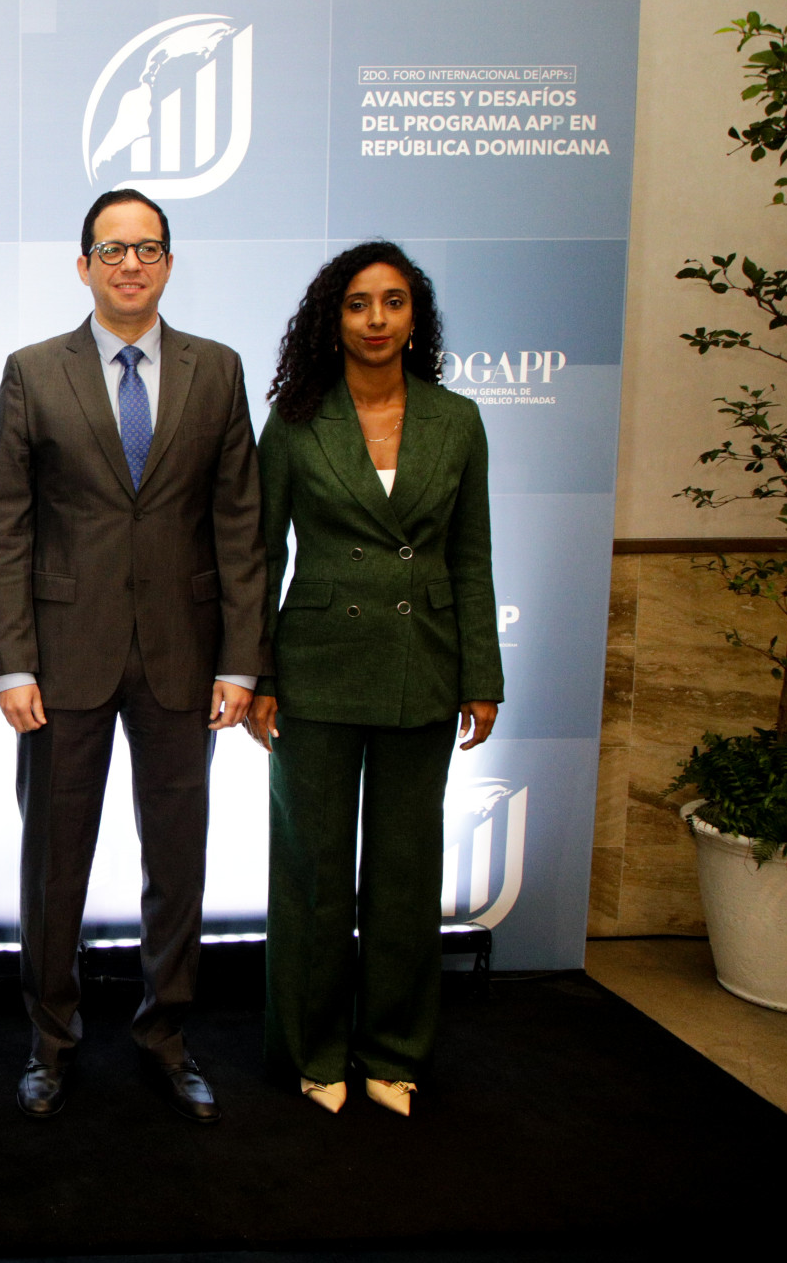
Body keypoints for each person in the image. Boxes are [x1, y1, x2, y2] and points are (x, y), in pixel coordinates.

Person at [0, 190, 267, 1122]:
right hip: (62, 662)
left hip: (186, 658)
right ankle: (50, 1041)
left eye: (148, 249)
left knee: (177, 862)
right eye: (113, 250)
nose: (131, 264)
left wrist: (241, 661)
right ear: (84, 266)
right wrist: (11, 663)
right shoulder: (33, 372)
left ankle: (166, 1035)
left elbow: (239, 522)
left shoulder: (218, 370)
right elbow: (7, 529)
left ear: (170, 264)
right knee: (53, 864)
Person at [246, 241, 503, 1118]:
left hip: (421, 667)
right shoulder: (294, 421)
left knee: (404, 871)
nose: (377, 319)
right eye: (358, 303)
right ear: (334, 320)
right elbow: (260, 556)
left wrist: (481, 675)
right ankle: (313, 1050)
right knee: (312, 872)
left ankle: (394, 1050)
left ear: (415, 317)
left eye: (393, 301)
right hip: (314, 670)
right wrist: (258, 673)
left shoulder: (457, 421)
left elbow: (472, 559)